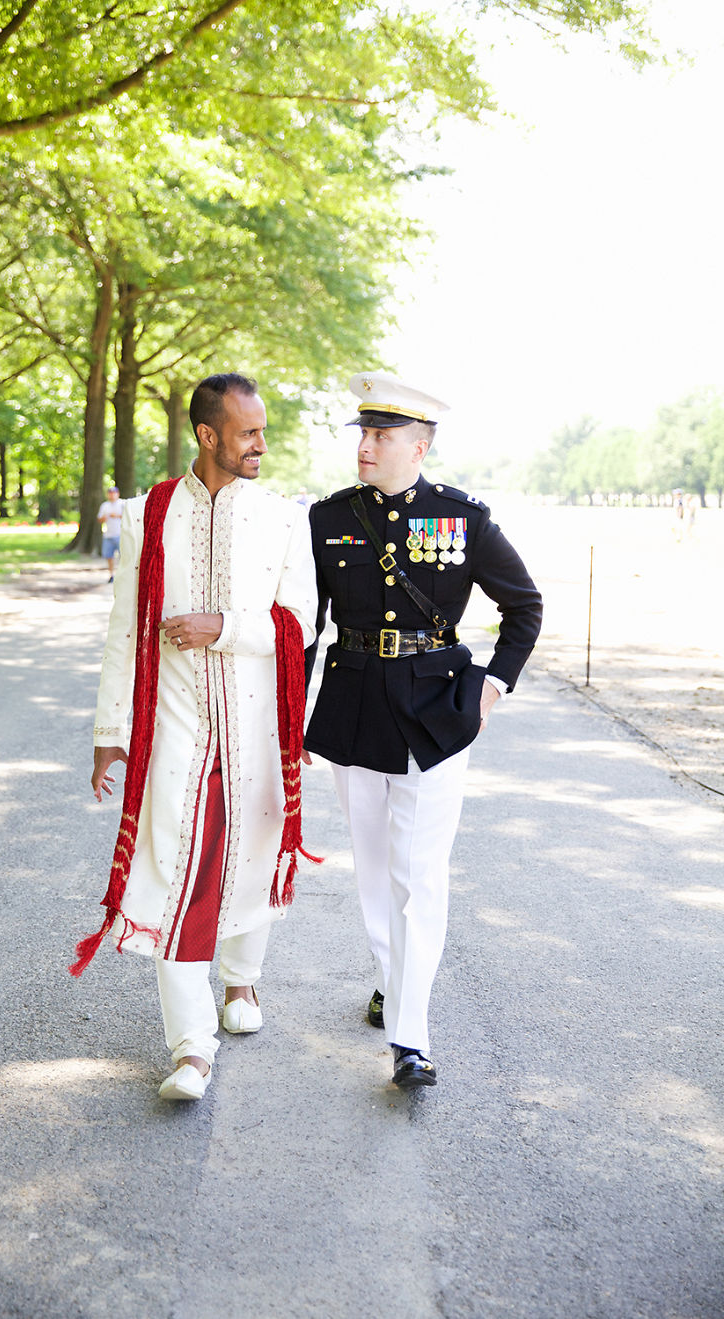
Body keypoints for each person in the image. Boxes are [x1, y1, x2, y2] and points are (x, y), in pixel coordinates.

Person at [71, 373, 317, 1102]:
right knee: (176, 867)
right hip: (175, 727)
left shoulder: (280, 516)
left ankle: (241, 979)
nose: (261, 445)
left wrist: (225, 629)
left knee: (249, 855)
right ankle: (190, 1050)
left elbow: (299, 623)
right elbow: (128, 626)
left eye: (263, 431)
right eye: (248, 433)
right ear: (208, 435)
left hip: (255, 725)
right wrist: (110, 731)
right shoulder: (152, 512)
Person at [303, 370, 542, 1089]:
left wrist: (493, 687)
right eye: (363, 433)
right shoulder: (328, 518)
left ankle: (411, 1036)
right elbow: (308, 627)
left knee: (421, 876)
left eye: (382, 435)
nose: (366, 446)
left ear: (421, 443)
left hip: (437, 714)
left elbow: (524, 607)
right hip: (352, 708)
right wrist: (290, 712)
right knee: (376, 873)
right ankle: (392, 978)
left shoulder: (463, 517)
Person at [97, 485, 124, 581]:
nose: (112, 495)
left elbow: (129, 517)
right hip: (108, 535)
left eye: (114, 493)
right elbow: (99, 519)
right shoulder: (105, 505)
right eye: (110, 493)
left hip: (120, 534)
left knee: (123, 556)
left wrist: (116, 515)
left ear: (118, 494)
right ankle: (111, 574)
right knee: (109, 556)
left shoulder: (122, 503)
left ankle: (121, 575)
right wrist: (103, 518)